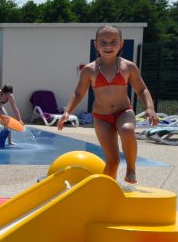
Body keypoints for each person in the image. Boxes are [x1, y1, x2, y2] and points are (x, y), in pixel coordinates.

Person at [59, 25, 158, 184]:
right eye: (103, 42)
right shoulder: (89, 70)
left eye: (113, 42)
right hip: (101, 117)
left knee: (127, 130)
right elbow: (78, 93)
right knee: (112, 162)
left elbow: (141, 89)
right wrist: (67, 111)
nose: (108, 46)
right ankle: (105, 191)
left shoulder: (128, 67)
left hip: (123, 111)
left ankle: (131, 168)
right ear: (95, 45)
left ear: (121, 44)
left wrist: (150, 107)